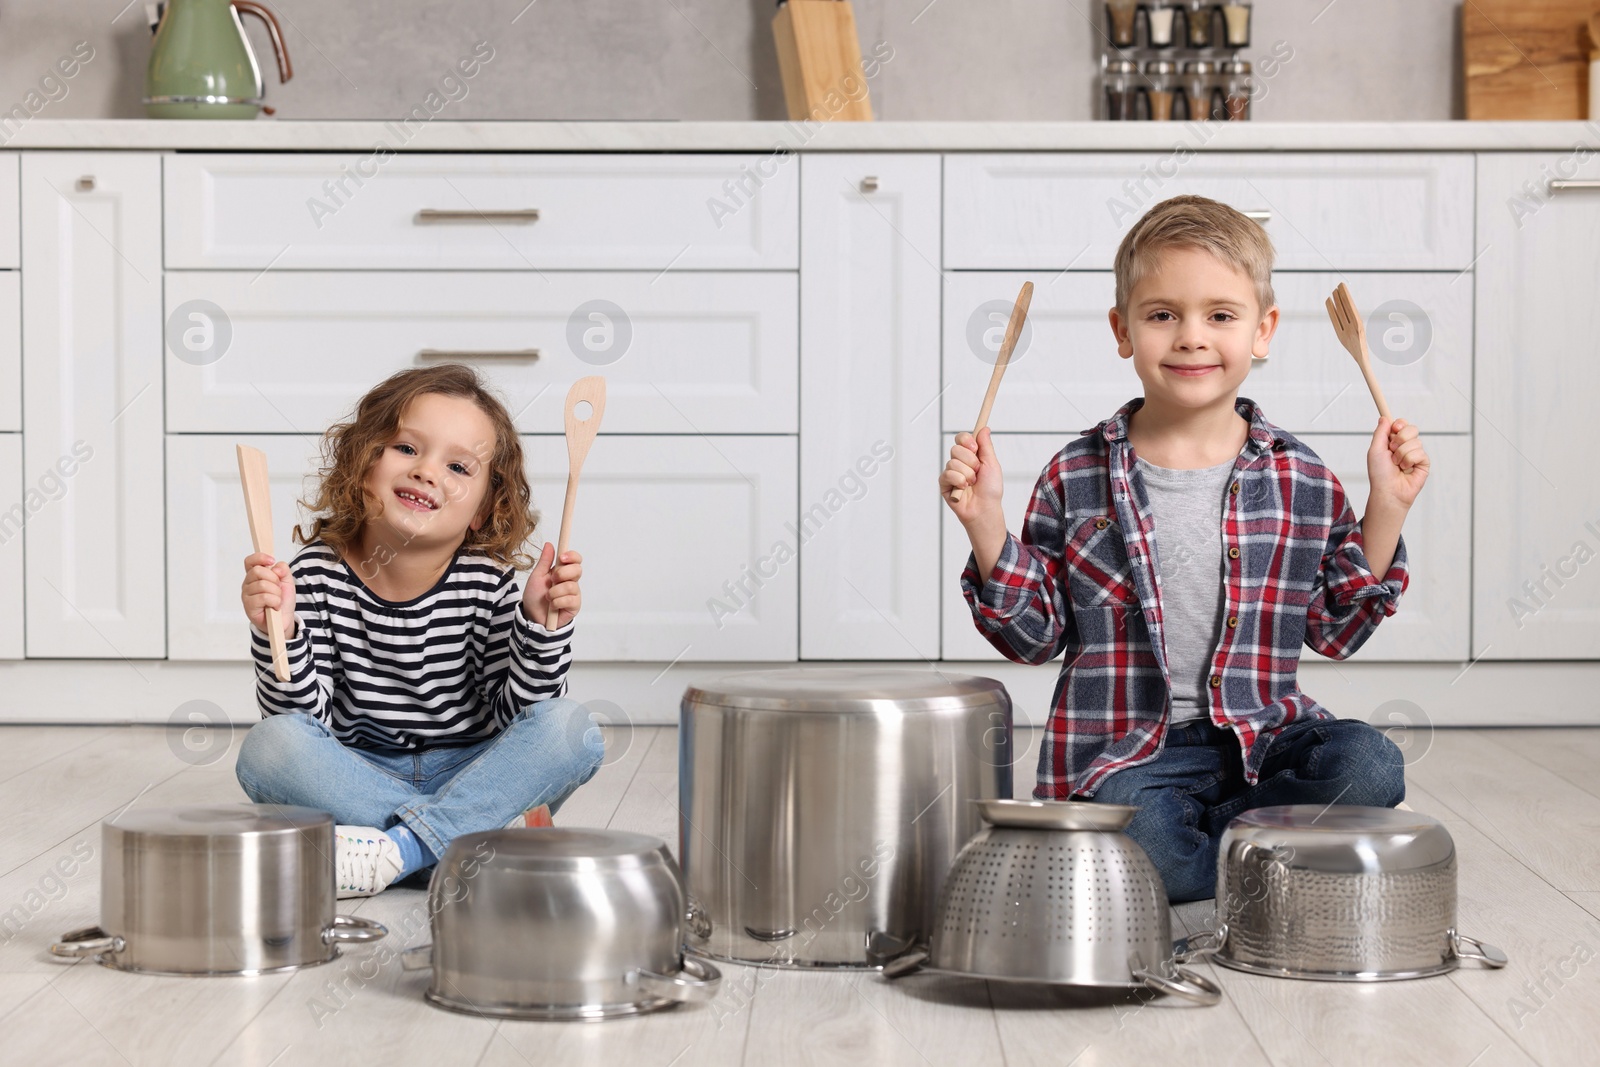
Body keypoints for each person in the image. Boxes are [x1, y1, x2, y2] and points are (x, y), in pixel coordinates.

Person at [941, 194, 1427, 901]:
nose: (1191, 337)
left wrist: (1388, 504)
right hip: (1131, 757)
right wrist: (986, 523)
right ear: (1123, 329)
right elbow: (1034, 637)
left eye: (1221, 315)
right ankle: (1267, 858)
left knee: (1372, 764)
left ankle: (1212, 850)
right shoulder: (1075, 475)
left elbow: (1336, 629)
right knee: (1148, 842)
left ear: (1263, 331)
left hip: (1264, 742)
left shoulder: (1303, 477)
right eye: (1162, 314)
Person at [236, 363, 602, 897]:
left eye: (458, 466)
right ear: (364, 467)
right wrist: (281, 630)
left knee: (571, 728)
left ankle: (400, 851)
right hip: (359, 777)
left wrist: (540, 629)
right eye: (407, 449)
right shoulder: (314, 574)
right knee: (269, 746)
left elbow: (521, 718)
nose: (428, 471)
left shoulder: (489, 583)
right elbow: (301, 721)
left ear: (483, 510)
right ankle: (472, 849)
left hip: (472, 776)